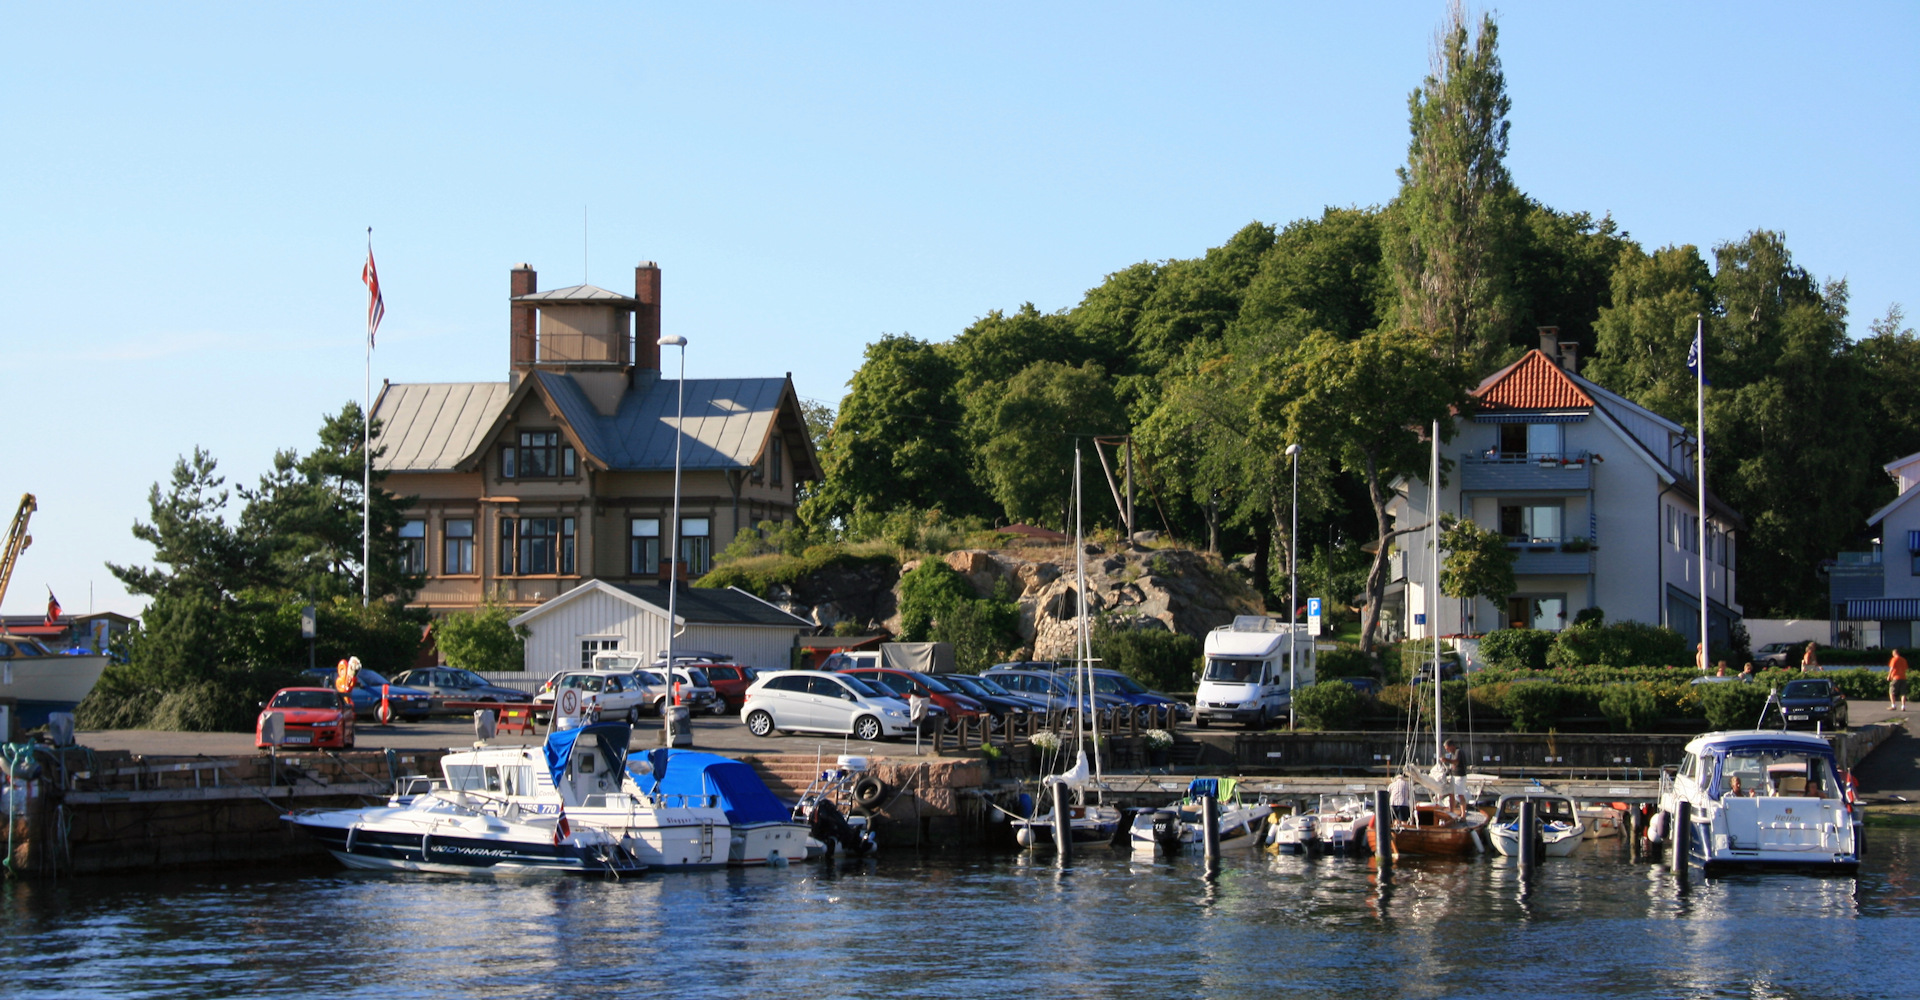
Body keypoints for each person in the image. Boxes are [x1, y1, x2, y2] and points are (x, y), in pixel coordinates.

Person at [1440, 739, 1467, 814]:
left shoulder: (1458, 751)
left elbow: (1456, 761)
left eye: (1447, 748)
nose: (1447, 750)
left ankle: (1463, 815)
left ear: (1451, 746)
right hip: (1453, 776)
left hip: (1460, 776)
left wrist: (1446, 760)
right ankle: (1451, 811)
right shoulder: (1452, 753)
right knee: (1451, 793)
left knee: (1460, 795)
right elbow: (1453, 765)